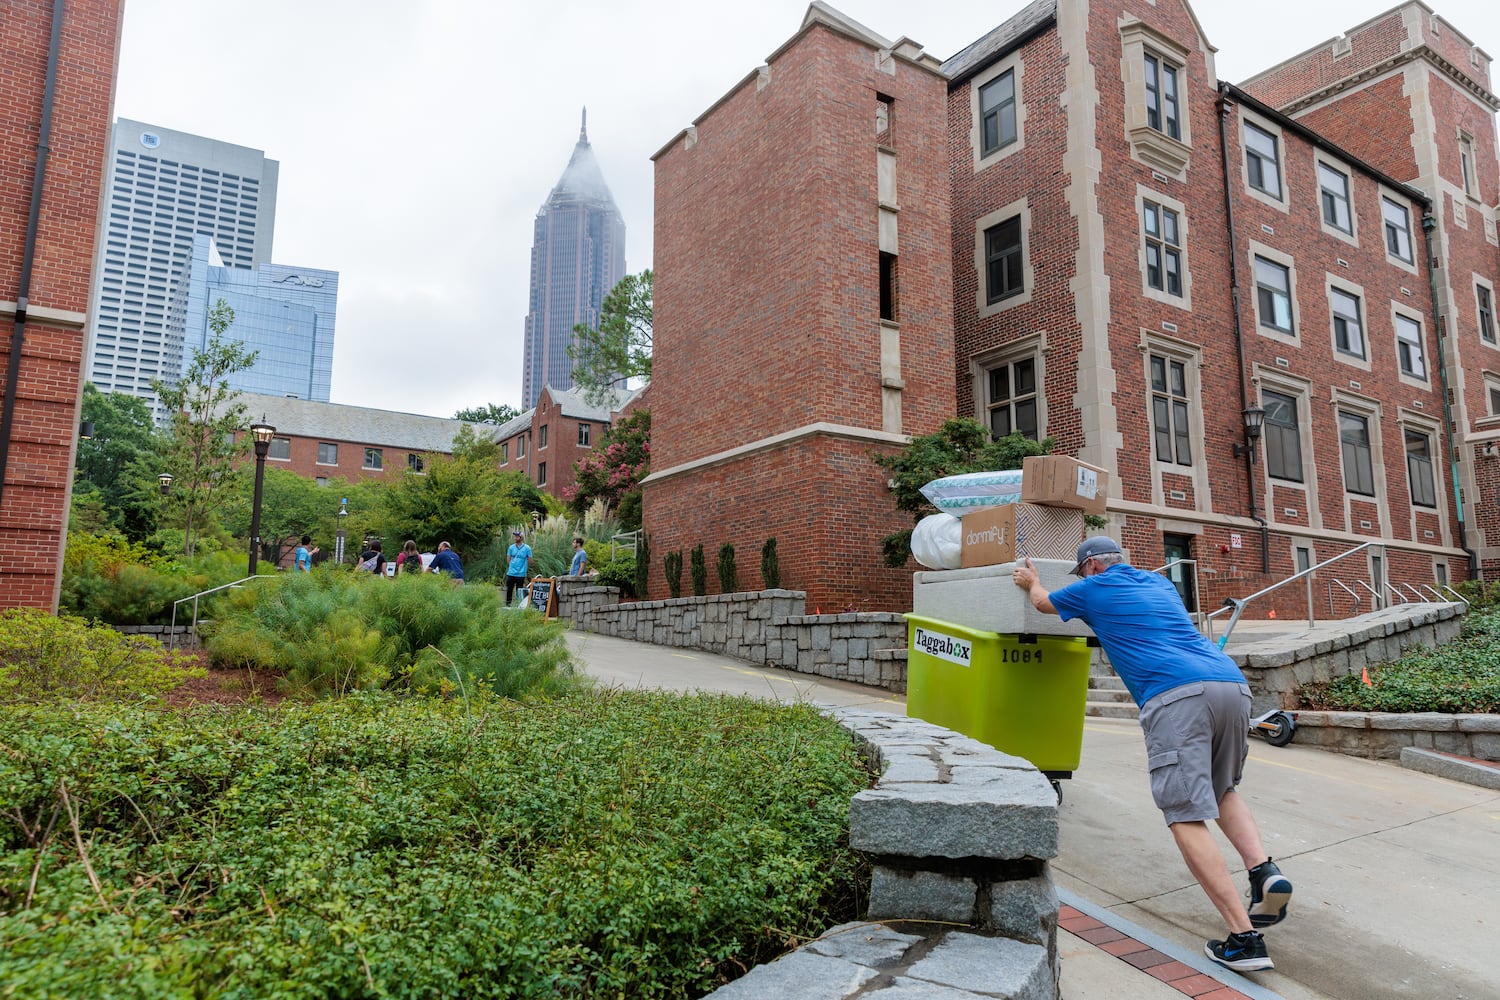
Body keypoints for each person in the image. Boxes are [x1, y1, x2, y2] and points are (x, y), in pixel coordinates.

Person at [1012, 536, 1293, 974]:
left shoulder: (1092, 588)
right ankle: (1263, 871)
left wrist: (1030, 579)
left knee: (1184, 812)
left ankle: (1245, 939)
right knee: (1222, 789)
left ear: (1089, 567)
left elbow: (1044, 603)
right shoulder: (1159, 584)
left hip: (1175, 695)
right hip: (1230, 685)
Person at [504, 529, 532, 604]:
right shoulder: (511, 547)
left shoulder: (527, 548)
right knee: (509, 590)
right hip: (511, 573)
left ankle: (517, 604)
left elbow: (530, 560)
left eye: (517, 537)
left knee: (519, 591)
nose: (515, 538)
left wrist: (524, 568)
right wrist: (513, 567)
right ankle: (508, 604)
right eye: (515, 536)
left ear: (521, 538)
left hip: (521, 573)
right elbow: (508, 559)